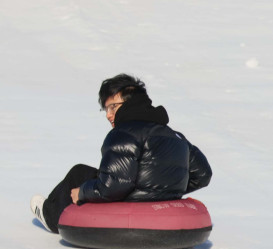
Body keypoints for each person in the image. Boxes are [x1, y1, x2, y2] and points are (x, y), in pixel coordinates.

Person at [30, 74, 212, 233]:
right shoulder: (175, 135)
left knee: (80, 173)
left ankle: (49, 215)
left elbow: (114, 185)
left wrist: (83, 192)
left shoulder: (123, 133)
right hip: (165, 209)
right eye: (106, 109)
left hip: (131, 208)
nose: (108, 115)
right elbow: (203, 174)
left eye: (113, 107)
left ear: (131, 103)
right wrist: (163, 191)